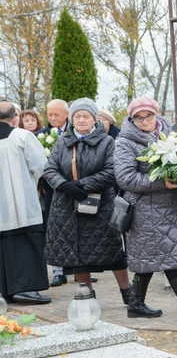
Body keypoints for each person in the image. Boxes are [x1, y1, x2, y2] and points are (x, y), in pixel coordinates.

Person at [115, 97, 177, 320]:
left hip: (168, 206)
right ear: (132, 119)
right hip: (144, 208)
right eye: (139, 117)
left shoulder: (171, 135)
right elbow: (126, 178)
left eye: (148, 116)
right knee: (167, 255)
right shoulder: (125, 141)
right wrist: (161, 183)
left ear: (157, 114)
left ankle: (135, 304)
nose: (144, 121)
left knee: (151, 257)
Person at [42, 98, 130, 304]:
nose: (81, 120)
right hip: (67, 206)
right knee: (78, 254)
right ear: (72, 119)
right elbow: (49, 169)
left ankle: (129, 295)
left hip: (100, 205)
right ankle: (86, 296)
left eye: (86, 116)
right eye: (78, 116)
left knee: (112, 250)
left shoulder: (107, 142)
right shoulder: (62, 141)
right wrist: (64, 185)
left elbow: (111, 171)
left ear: (94, 119)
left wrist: (84, 185)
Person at [0, 101, 51, 305]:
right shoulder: (22, 136)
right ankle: (27, 288)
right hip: (23, 202)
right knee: (26, 244)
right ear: (15, 118)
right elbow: (40, 166)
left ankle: (5, 289)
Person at [40, 98, 70, 287]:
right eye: (49, 114)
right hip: (52, 188)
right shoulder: (43, 135)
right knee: (56, 229)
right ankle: (58, 271)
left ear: (66, 115)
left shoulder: (75, 132)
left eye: (56, 114)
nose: (52, 118)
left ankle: (80, 269)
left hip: (74, 186)